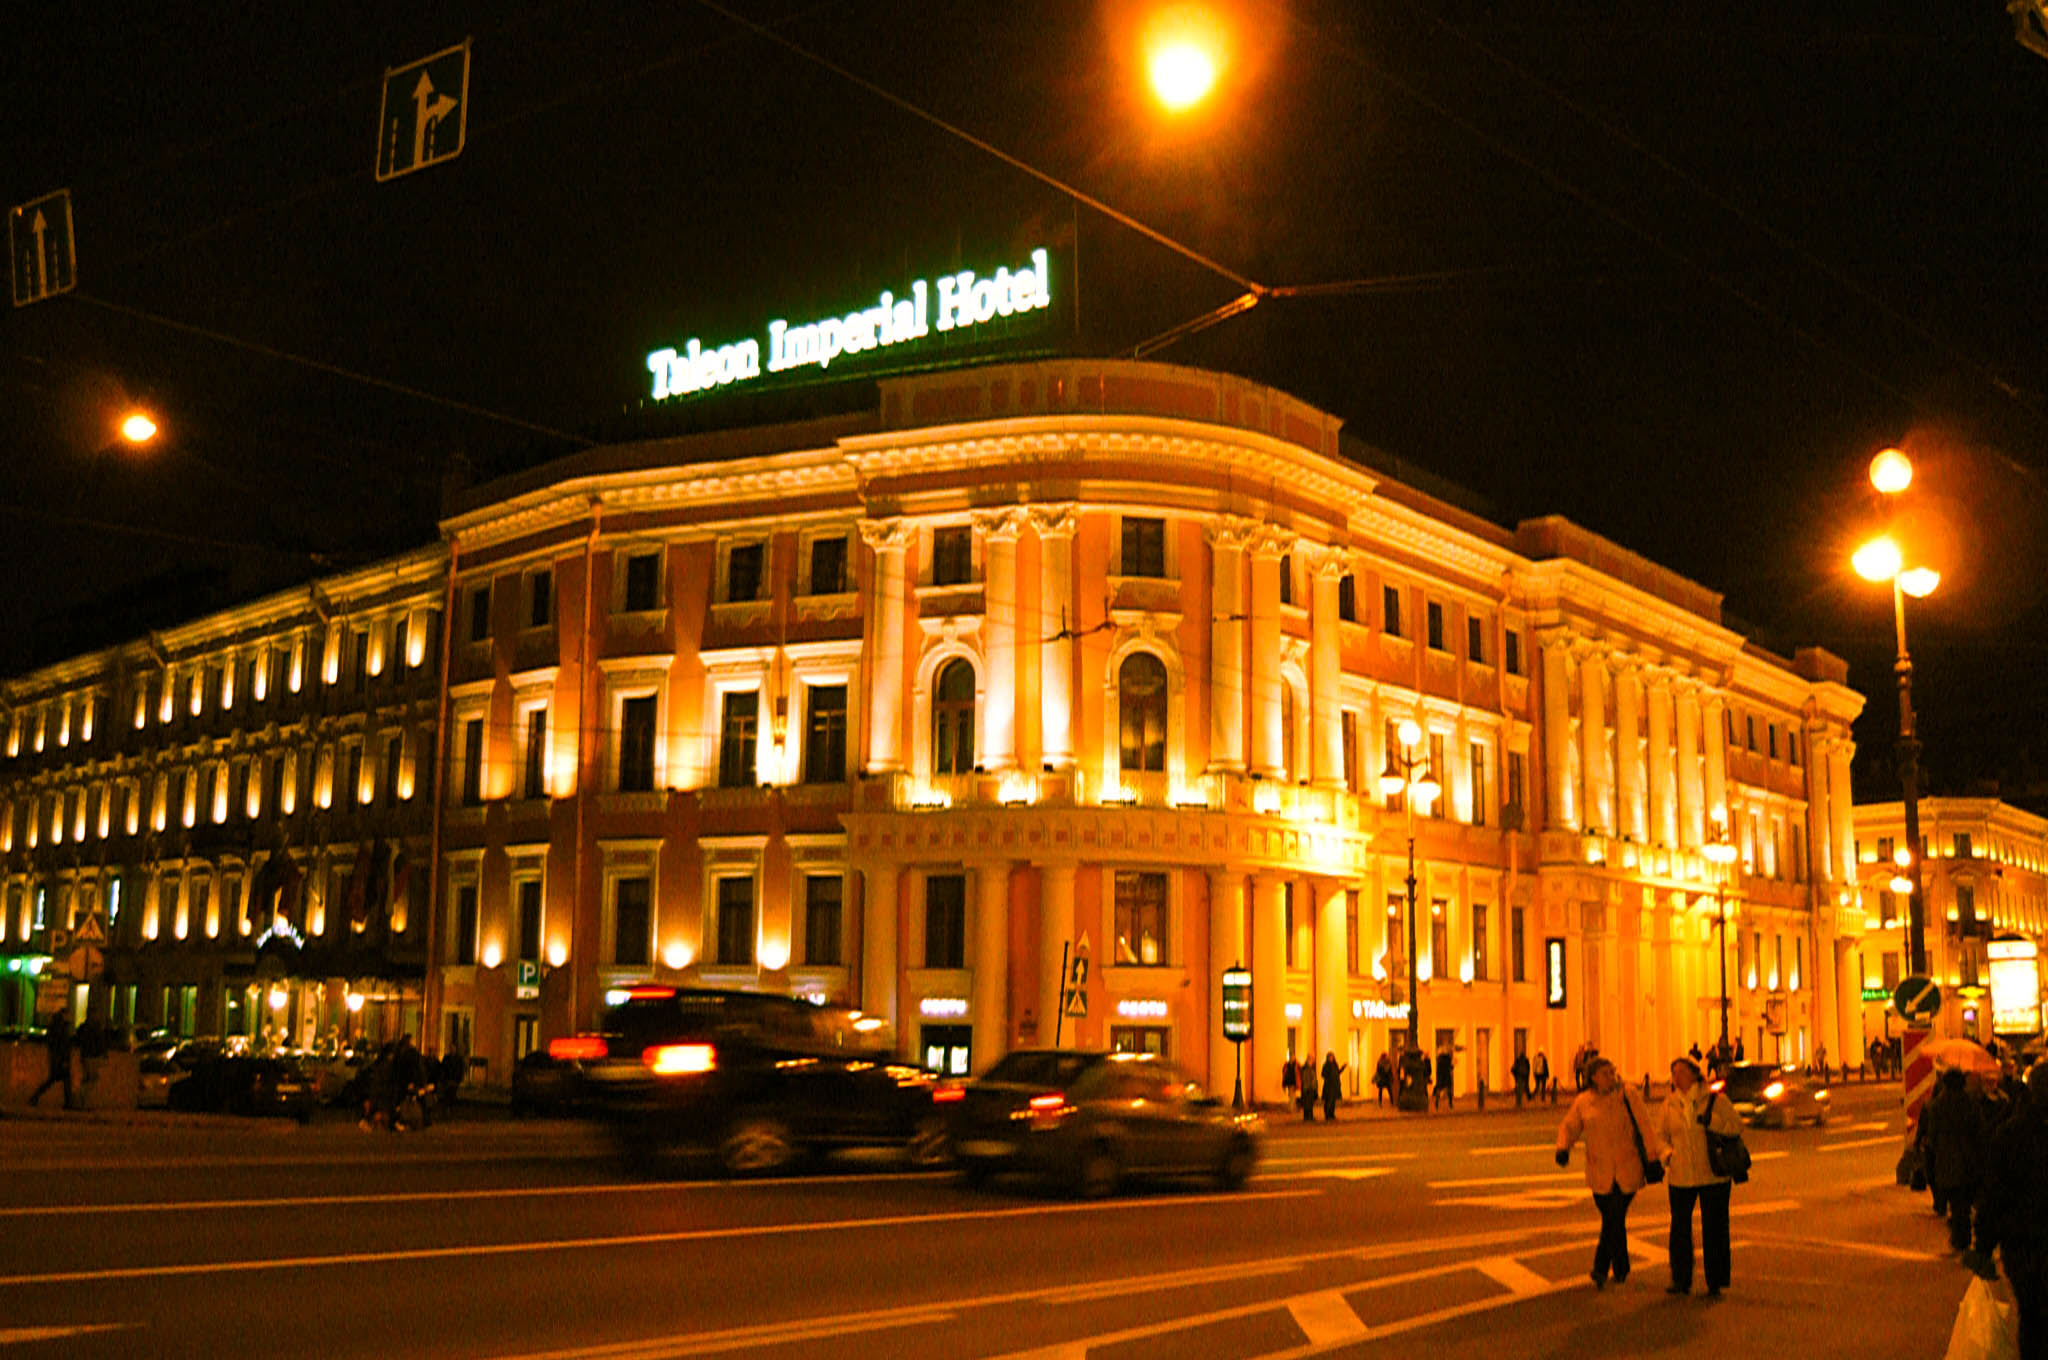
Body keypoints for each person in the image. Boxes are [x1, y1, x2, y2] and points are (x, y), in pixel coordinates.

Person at [1556, 1057, 1654, 1289]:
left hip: (1627, 1168)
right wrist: (1563, 1148)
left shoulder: (1627, 1096)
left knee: (1613, 1217)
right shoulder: (1583, 1102)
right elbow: (1570, 1126)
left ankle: (1600, 1267)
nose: (1611, 1077)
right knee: (1614, 1220)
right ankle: (1621, 1266)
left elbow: (1645, 1126)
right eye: (1605, 1073)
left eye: (1612, 1072)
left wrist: (1653, 1157)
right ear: (1593, 1077)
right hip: (1599, 1171)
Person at [1972, 1061, 2047, 1359]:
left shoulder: (2011, 1134)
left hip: (2023, 1246)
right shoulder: (2011, 1133)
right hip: (2026, 1242)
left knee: (2032, 1317)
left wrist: (1983, 1246)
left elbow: (1994, 1194)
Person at [1658, 1055, 1741, 1297]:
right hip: (1680, 1175)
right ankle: (1681, 1279)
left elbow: (1735, 1126)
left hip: (1713, 1174)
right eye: (1674, 1073)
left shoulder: (1715, 1099)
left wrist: (1710, 1122)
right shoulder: (1670, 1103)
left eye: (1682, 1072)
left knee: (1715, 1229)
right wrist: (1667, 1155)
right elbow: (1660, 1136)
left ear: (1695, 1074)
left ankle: (1715, 1280)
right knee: (1679, 1229)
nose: (1677, 1077)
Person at [1917, 1068, 1985, 1249]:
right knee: (1966, 1200)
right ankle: (1965, 1235)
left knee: (1956, 1203)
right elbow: (1979, 1130)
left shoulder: (1937, 1105)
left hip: (1947, 1161)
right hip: (1969, 1160)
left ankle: (1959, 1237)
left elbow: (1932, 1135)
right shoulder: (1971, 1103)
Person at [29, 1011, 74, 1109]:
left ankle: (35, 1097)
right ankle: (68, 1102)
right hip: (60, 1059)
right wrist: (64, 1059)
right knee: (64, 1080)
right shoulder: (61, 1030)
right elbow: (63, 1046)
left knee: (53, 1080)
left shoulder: (54, 1029)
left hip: (56, 1059)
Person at [1320, 1051, 1344, 1122]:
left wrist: (1342, 1068)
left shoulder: (1335, 1064)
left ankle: (1332, 1114)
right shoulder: (1326, 1065)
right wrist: (1329, 1077)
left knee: (1333, 1101)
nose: (1331, 1058)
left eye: (1332, 1057)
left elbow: (1337, 1073)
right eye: (1330, 1057)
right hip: (1328, 1086)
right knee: (1328, 1101)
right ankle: (1327, 1115)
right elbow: (1323, 1074)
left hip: (1335, 1086)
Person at [1433, 1044, 1455, 1111]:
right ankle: (1450, 1104)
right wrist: (1453, 1065)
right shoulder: (1448, 1058)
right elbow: (1450, 1067)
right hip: (1447, 1075)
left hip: (1440, 1076)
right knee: (1449, 1090)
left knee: (1439, 1090)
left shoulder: (1439, 1059)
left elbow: (1438, 1069)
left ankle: (1436, 1103)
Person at [1298, 1056, 1319, 1122]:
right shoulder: (1305, 1069)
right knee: (1307, 1103)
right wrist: (1307, 1087)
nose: (1311, 1062)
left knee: (1310, 1103)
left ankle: (1310, 1116)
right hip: (1307, 1088)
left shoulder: (1311, 1068)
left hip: (1311, 1088)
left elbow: (1314, 1079)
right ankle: (1307, 1117)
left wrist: (1315, 1087)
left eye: (1312, 1061)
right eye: (1310, 1060)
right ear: (1308, 1061)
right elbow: (1305, 1079)